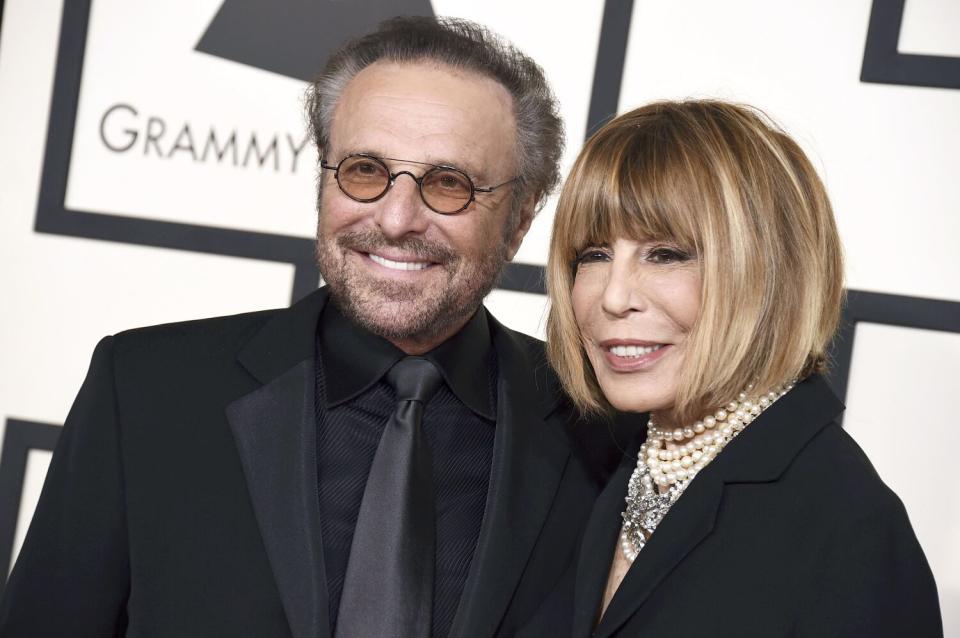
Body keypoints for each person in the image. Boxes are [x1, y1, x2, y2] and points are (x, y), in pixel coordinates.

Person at [0, 17, 621, 637]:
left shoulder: (601, 429)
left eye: (448, 184)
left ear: (518, 220)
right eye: (365, 170)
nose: (398, 218)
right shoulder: (144, 391)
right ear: (324, 178)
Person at [545, 100, 943, 637]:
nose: (613, 297)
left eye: (666, 254)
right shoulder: (593, 457)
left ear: (769, 272)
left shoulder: (849, 529)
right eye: (593, 255)